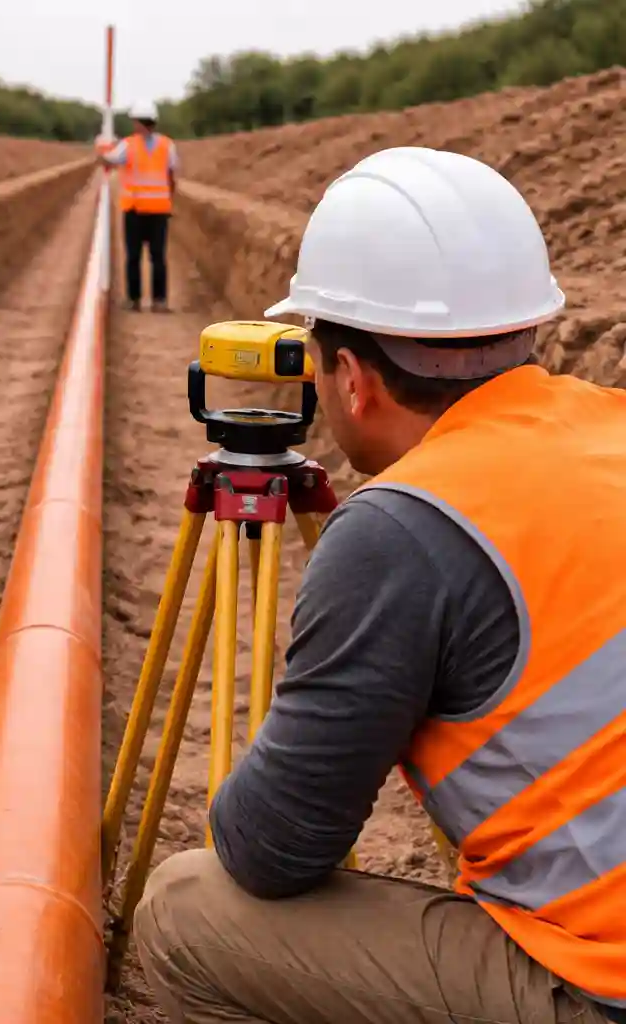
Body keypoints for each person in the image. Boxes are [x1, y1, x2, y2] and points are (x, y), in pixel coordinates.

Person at [132, 146, 626, 1024]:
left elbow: (273, 852)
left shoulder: (406, 529)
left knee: (185, 910)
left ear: (352, 381)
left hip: (603, 986)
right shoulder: (609, 427)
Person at [98, 99, 178, 312]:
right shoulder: (167, 145)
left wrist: (102, 149)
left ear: (140, 123)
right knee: (157, 257)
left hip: (135, 210)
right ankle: (159, 301)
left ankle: (134, 300)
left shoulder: (128, 144)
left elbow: (108, 161)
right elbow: (172, 178)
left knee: (134, 257)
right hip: (159, 211)